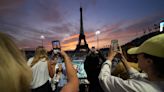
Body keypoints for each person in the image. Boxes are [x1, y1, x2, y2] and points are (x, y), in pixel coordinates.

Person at [99, 33, 164, 92]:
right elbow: (136, 75)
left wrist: (109, 57)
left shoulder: (139, 88)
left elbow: (103, 79)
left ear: (149, 61)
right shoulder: (156, 80)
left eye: (139, 54)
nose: (136, 56)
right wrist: (122, 58)